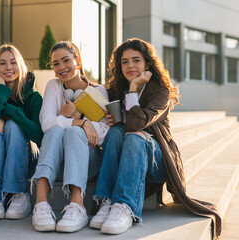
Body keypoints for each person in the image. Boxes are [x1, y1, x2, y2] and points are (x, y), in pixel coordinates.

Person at [89, 38, 221, 238]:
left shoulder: (160, 92)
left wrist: (134, 88)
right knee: (116, 132)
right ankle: (106, 201)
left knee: (134, 137)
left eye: (136, 60)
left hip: (157, 161)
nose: (130, 65)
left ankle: (125, 207)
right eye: (124, 62)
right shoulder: (115, 90)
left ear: (147, 63)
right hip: (126, 159)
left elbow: (135, 125)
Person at [31, 41, 110, 233]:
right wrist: (82, 123)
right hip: (57, 164)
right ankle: (40, 205)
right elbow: (47, 124)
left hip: (88, 163)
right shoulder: (53, 86)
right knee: (56, 131)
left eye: (66, 60)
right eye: (56, 63)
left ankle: (77, 206)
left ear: (78, 61)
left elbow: (105, 132)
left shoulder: (98, 91)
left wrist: (75, 122)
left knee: (72, 132)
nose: (61, 67)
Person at [0, 44, 43, 220]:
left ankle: (18, 194)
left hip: (26, 160)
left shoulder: (33, 96)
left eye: (13, 62)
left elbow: (39, 135)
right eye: (2, 63)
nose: (8, 68)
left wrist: (14, 113)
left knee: (13, 125)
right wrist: (1, 87)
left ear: (20, 65)